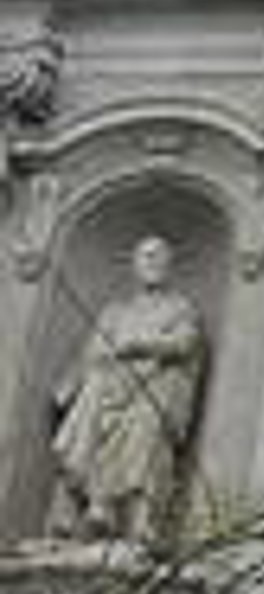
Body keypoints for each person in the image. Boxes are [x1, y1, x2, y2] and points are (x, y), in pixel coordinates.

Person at [49, 235, 208, 548]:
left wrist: (139, 346)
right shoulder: (115, 312)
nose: (152, 262)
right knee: (92, 394)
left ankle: (136, 518)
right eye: (146, 256)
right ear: (134, 265)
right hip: (110, 386)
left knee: (146, 421)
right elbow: (92, 352)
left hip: (153, 389)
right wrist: (70, 384)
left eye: (159, 256)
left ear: (170, 265)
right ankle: (94, 504)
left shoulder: (180, 308)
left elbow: (185, 344)